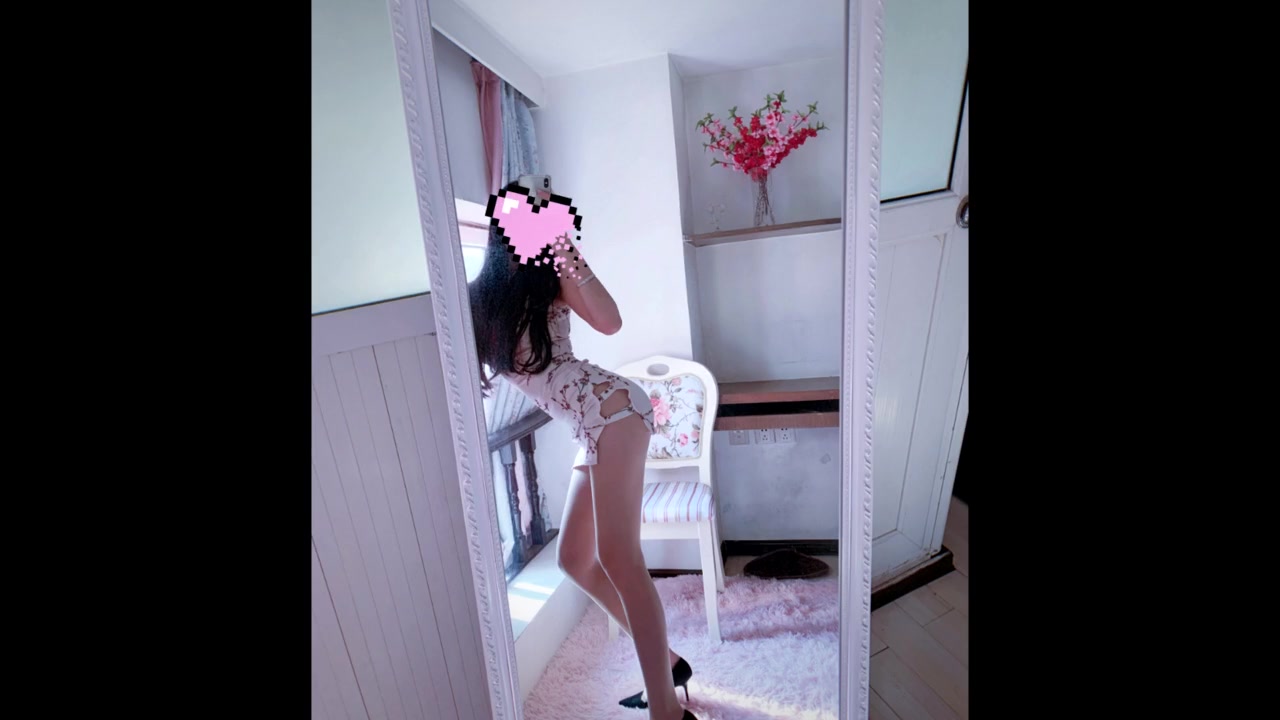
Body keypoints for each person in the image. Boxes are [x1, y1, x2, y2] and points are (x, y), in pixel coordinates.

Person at [469, 182, 698, 720]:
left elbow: (610, 321)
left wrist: (564, 246)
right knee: (574, 559)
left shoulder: (551, 280)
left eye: (547, 216)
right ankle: (666, 665)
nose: (541, 223)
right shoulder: (480, 300)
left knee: (620, 558)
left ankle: (667, 712)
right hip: (591, 424)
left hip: (614, 411)